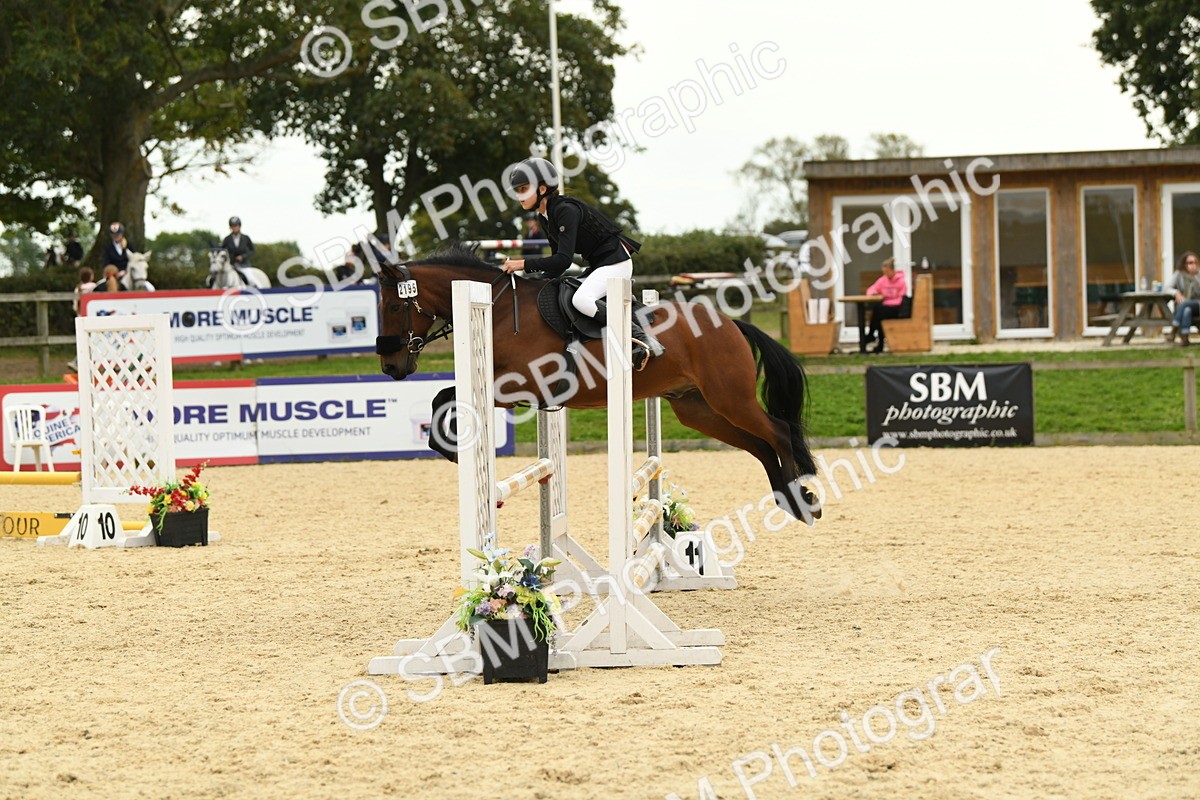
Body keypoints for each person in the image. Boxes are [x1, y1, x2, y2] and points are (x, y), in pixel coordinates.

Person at [500, 157, 661, 369]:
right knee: (562, 291)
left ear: (541, 188)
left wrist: (523, 264)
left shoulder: (565, 210)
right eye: (517, 190)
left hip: (616, 263)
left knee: (582, 300)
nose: (519, 195)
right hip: (599, 265)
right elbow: (558, 266)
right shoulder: (545, 217)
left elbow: (563, 260)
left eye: (523, 189)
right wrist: (533, 283)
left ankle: (642, 338)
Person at [864, 258, 909, 354]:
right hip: (885, 308)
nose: (885, 274)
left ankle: (871, 335)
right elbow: (870, 290)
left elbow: (901, 299)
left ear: (892, 270)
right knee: (880, 316)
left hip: (897, 309)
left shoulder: (901, 282)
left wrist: (886, 300)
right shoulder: (882, 280)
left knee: (878, 310)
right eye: (884, 272)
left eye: (887, 272)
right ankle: (878, 344)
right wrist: (874, 293)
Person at [1168, 251, 1200, 346]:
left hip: (1198, 304)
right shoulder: (1179, 274)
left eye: (1195, 262)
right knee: (1186, 310)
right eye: (1190, 263)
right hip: (1187, 305)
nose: (1193, 265)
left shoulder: (1199, 275)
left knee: (1184, 304)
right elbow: (1167, 288)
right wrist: (1176, 293)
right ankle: (1185, 339)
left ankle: (1174, 328)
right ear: (1184, 264)